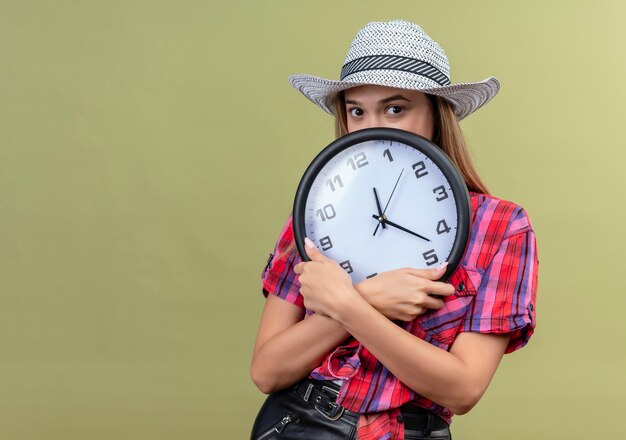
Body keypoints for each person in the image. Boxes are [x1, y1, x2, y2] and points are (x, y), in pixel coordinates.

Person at [250, 19, 538, 440]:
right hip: (298, 425)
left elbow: (462, 389)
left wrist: (348, 306)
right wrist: (370, 298)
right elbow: (267, 371)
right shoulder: (315, 213)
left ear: (436, 115)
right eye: (356, 110)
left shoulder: (500, 227)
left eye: (395, 108)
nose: (372, 126)